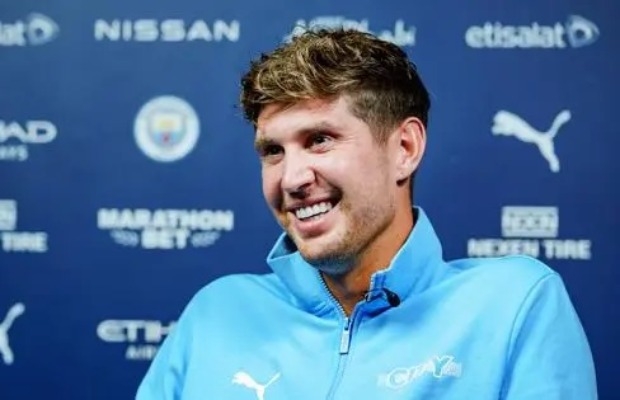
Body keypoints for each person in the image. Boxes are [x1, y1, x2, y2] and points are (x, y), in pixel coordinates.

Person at [136, 28, 597, 399]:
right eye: (273, 151)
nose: (292, 178)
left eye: (320, 140)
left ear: (404, 148)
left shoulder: (513, 304)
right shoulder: (215, 313)